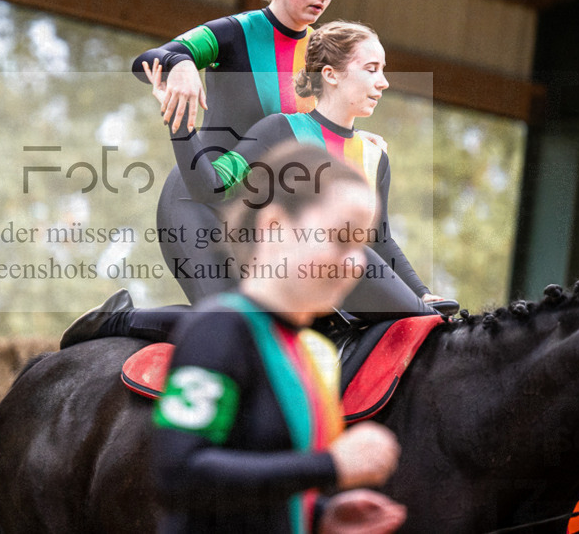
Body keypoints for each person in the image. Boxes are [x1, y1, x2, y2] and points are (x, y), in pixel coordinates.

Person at [61, 21, 453, 348]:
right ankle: (120, 320)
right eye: (371, 69)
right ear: (330, 74)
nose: (383, 82)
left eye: (383, 70)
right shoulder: (279, 130)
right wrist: (180, 121)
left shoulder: (376, 156)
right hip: (283, 267)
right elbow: (213, 186)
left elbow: (380, 238)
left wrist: (421, 291)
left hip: (326, 277)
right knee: (244, 324)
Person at [152, 141, 406, 533]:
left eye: (362, 245)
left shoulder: (315, 352)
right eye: (341, 238)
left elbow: (259, 489)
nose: (357, 263)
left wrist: (318, 515)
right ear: (274, 225)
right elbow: (177, 474)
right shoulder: (219, 328)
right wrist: (331, 466)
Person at [129, 0, 392, 302]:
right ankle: (116, 322)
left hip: (263, 215)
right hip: (201, 196)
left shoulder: (321, 51)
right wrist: (181, 64)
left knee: (269, 318)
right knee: (226, 314)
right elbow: (146, 62)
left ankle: (124, 322)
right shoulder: (237, 32)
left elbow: (313, 123)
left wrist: (348, 137)